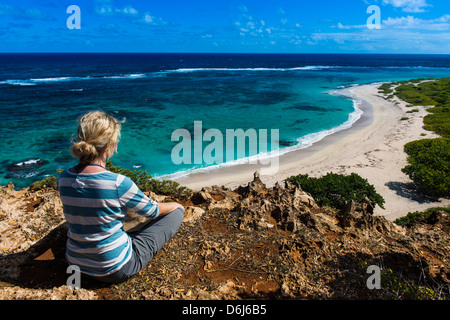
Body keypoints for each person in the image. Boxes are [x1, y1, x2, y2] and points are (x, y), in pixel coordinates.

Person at [58, 110, 184, 284]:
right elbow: (153, 211)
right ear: (110, 145)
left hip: (75, 264)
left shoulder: (64, 177)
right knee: (177, 214)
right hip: (114, 268)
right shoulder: (117, 183)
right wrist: (176, 205)